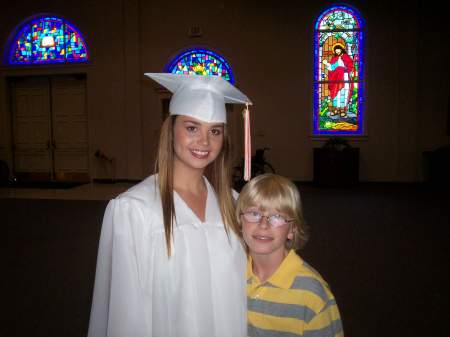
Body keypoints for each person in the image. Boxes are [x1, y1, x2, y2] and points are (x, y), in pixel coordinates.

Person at [88, 73, 252, 337]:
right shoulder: (135, 210)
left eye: (215, 131)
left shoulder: (233, 204)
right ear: (170, 130)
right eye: (191, 127)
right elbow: (126, 313)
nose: (204, 141)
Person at [236, 173, 344, 337]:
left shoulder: (312, 293)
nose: (263, 224)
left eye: (277, 216)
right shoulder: (232, 274)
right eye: (254, 213)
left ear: (292, 229)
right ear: (240, 222)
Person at [322, 43, 354, 118]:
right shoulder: (334, 58)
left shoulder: (346, 57)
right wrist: (327, 64)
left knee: (344, 93)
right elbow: (331, 68)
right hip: (336, 78)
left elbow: (351, 67)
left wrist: (343, 66)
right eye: (336, 51)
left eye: (338, 50)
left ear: (341, 49)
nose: (337, 52)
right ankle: (336, 109)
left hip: (344, 77)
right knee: (336, 93)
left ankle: (342, 110)